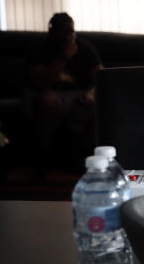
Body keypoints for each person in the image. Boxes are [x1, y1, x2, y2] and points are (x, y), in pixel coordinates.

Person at [23, 12, 102, 172]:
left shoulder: (86, 49)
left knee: (100, 106)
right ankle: (43, 158)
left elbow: (102, 79)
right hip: (52, 93)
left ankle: (83, 159)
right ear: (52, 32)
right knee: (47, 101)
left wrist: (91, 95)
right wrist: (64, 56)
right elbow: (42, 82)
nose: (68, 37)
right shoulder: (40, 49)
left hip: (80, 94)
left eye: (70, 32)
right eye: (63, 32)